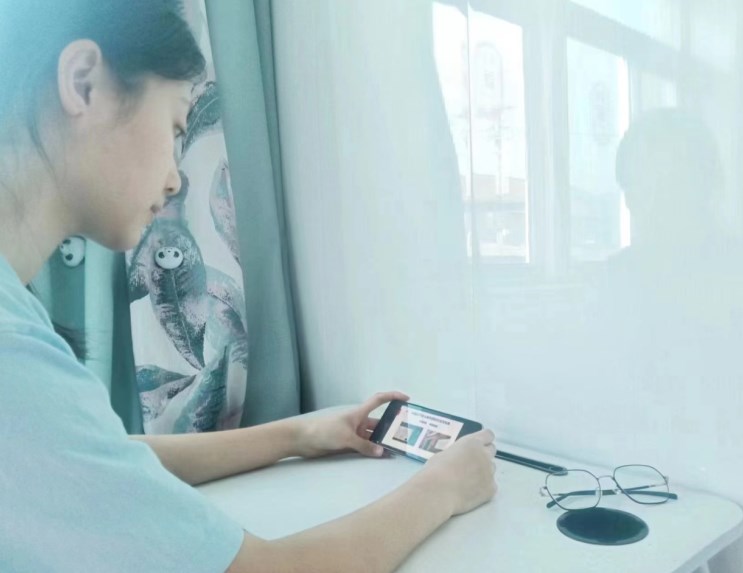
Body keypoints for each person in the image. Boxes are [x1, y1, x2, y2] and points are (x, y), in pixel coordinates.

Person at [0, 2, 497, 572]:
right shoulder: (12, 353)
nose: (176, 178)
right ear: (83, 82)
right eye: (176, 128)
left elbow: (97, 461)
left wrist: (299, 434)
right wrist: (444, 487)